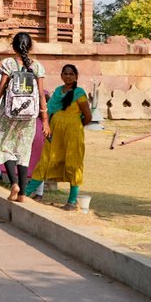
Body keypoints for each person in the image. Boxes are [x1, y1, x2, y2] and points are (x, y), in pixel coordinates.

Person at [0, 32, 46, 202]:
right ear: (31, 46)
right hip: (29, 115)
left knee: (3, 146)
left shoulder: (9, 64)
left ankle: (14, 184)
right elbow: (40, 94)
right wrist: (45, 119)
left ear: (13, 46)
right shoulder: (38, 67)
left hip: (8, 114)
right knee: (23, 151)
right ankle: (23, 194)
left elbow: (1, 89)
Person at [26, 62, 91, 209]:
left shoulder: (79, 93)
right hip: (55, 132)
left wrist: (75, 125)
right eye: (65, 73)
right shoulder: (57, 92)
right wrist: (47, 127)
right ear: (61, 76)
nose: (68, 76)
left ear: (76, 77)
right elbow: (50, 111)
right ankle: (26, 192)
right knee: (46, 160)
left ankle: (72, 201)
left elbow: (88, 116)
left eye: (71, 74)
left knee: (73, 164)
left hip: (73, 134)